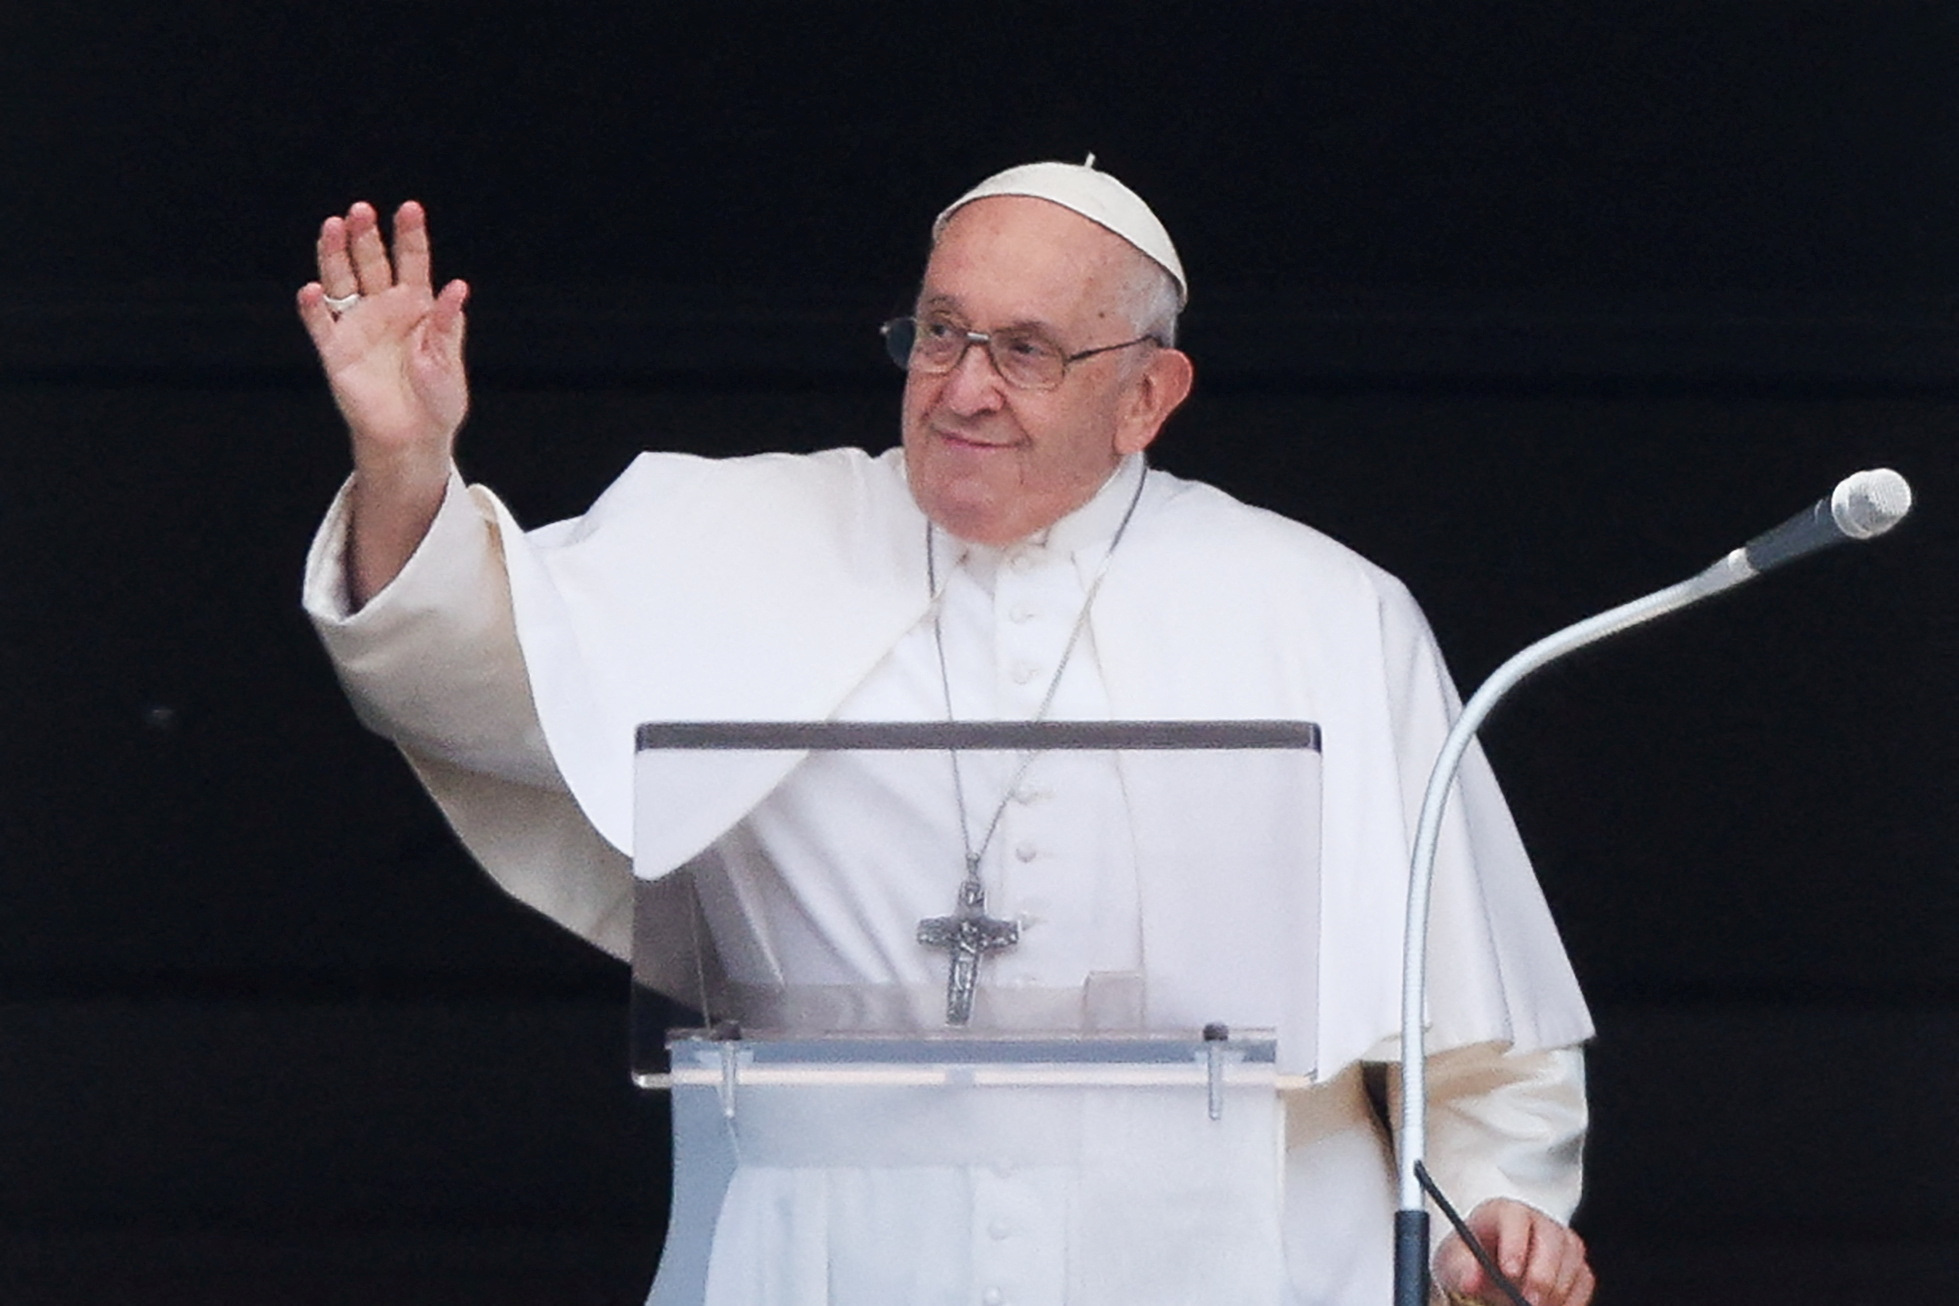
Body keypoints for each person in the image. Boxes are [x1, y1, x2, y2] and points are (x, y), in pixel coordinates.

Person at [298, 161, 1598, 1306]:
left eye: (1026, 350)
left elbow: (1481, 1052)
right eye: (939, 334)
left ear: (1148, 395)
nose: (965, 388)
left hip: (1238, 1266)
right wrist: (406, 464)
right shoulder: (741, 539)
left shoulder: (1325, 614)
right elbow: (465, 685)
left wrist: (1494, 1221)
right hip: (831, 1264)